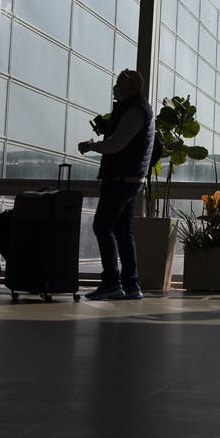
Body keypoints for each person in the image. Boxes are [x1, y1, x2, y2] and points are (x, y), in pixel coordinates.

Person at [78, 70, 154, 301]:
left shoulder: (134, 111)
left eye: (120, 84)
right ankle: (131, 285)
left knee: (102, 227)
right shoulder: (135, 109)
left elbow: (116, 145)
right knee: (122, 232)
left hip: (122, 179)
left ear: (133, 87)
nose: (116, 88)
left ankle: (112, 282)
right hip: (130, 179)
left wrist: (92, 147)